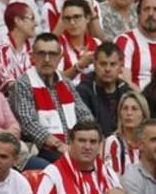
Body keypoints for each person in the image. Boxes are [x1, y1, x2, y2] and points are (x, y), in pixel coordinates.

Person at [11, 33, 95, 167]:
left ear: (60, 57)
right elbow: (29, 124)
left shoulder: (66, 82)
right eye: (41, 54)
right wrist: (60, 145)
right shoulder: (23, 83)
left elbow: (84, 115)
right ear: (32, 56)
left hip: (71, 148)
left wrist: (92, 138)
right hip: (40, 152)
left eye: (52, 54)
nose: (47, 59)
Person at [77, 42, 131, 140]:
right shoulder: (83, 91)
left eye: (113, 64)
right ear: (94, 64)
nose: (107, 69)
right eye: (103, 64)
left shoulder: (126, 91)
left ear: (120, 66)